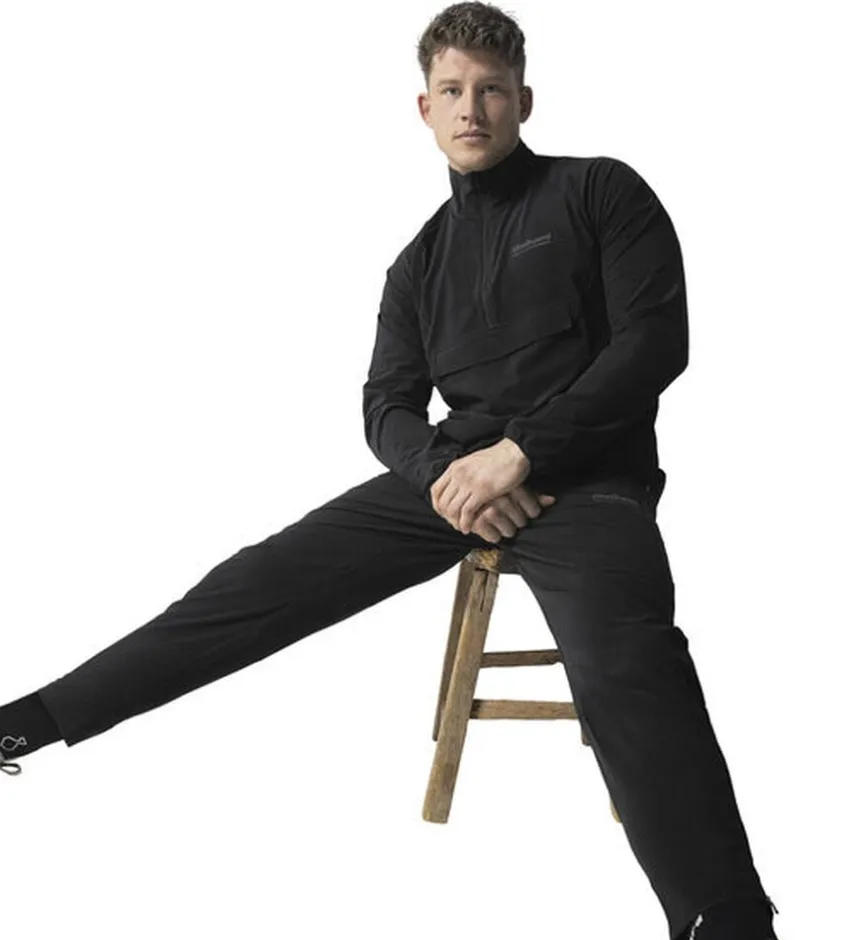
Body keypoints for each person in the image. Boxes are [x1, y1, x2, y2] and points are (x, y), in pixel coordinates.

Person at [0, 3, 780, 938]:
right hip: (454, 484)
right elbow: (386, 404)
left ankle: (725, 918)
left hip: (591, 481)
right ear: (425, 108)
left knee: (629, 662)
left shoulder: (599, 191)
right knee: (253, 584)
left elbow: (655, 343)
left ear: (524, 100)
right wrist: (450, 476)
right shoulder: (419, 261)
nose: (472, 109)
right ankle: (27, 723)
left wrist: (521, 455)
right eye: (453, 91)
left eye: (491, 90)